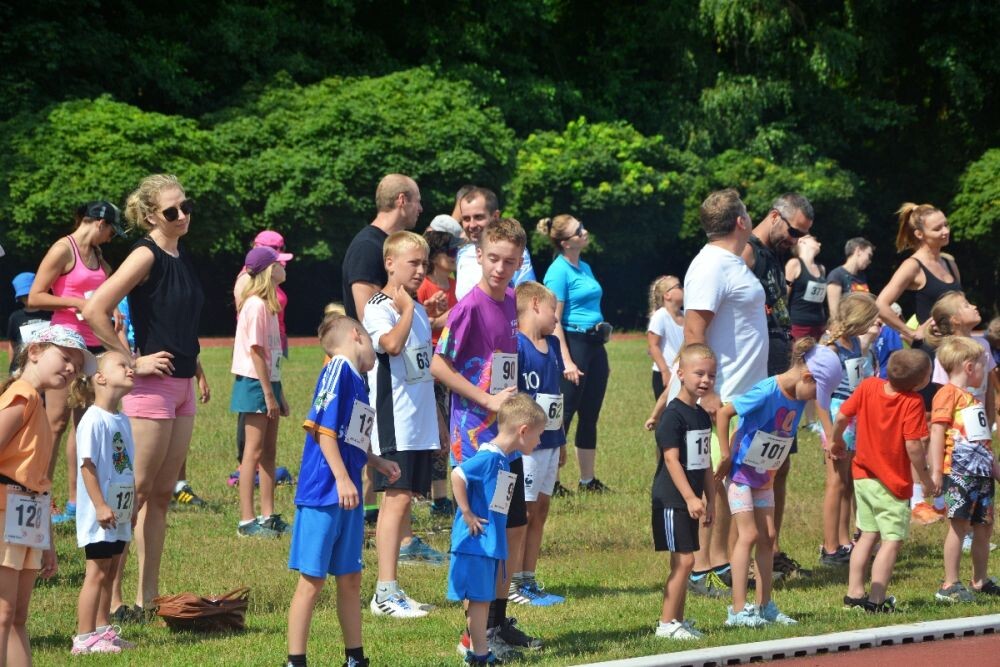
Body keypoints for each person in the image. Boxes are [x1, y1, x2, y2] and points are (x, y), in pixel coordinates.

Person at [83, 174, 205, 615]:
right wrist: (131, 360)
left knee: (160, 496)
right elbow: (95, 309)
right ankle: (110, 599)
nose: (182, 215)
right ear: (151, 215)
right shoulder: (144, 253)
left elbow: (178, 322)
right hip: (150, 389)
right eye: (172, 210)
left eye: (185, 206)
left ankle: (147, 597)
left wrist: (199, 370)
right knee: (131, 495)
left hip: (182, 385)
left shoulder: (180, 254)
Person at [431, 218, 540, 659]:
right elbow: (439, 365)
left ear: (519, 262)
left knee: (509, 526)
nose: (500, 268)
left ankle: (495, 622)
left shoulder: (512, 300)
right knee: (483, 534)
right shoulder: (469, 307)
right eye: (493, 258)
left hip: (507, 438)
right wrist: (487, 400)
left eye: (509, 261)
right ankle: (473, 637)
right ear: (478, 255)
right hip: (476, 440)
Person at [286, 314, 400, 667]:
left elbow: (350, 436)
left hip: (345, 491)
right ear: (356, 335)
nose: (374, 353)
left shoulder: (359, 381)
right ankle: (296, 660)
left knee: (350, 577)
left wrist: (374, 461)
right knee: (312, 579)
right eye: (370, 342)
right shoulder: (337, 369)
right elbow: (321, 429)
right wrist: (341, 477)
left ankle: (355, 658)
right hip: (324, 492)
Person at [715, 338, 841, 627]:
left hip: (764, 476)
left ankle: (765, 606)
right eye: (815, 392)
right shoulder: (767, 390)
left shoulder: (798, 395)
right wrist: (724, 454)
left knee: (769, 537)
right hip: (741, 474)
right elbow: (724, 413)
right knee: (748, 535)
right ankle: (737, 611)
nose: (813, 399)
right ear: (807, 376)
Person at [681, 189, 767, 599]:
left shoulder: (733, 260)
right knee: (713, 481)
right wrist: (708, 390)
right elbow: (693, 332)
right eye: (748, 213)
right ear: (740, 222)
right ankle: (703, 568)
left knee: (735, 480)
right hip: (726, 391)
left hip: (747, 394)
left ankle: (723, 560)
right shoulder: (711, 265)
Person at [1, 325, 96, 664]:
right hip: (4, 512)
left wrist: (47, 540)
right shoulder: (23, 395)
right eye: (65, 357)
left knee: (17, 618)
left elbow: (38, 481)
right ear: (36, 351)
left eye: (76, 365)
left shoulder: (36, 403)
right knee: (3, 614)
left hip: (26, 518)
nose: (71, 369)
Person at [28, 201, 122, 525]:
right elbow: (35, 296)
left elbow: (107, 296)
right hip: (64, 344)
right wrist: (77, 301)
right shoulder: (63, 250)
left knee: (85, 427)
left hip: (92, 347)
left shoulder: (100, 259)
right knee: (55, 424)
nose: (111, 238)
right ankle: (40, 497)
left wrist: (113, 310)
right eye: (111, 230)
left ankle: (75, 502)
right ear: (97, 222)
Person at [364, 232, 442, 618]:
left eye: (424, 263)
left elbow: (424, 367)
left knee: (405, 500)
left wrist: (438, 425)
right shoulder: (379, 306)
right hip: (392, 422)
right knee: (393, 503)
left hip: (418, 422)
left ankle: (393, 589)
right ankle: (384, 592)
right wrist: (408, 309)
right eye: (413, 263)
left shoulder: (420, 311)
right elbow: (390, 345)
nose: (420, 270)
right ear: (390, 263)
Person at [740, 193, 815, 580]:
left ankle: (772, 547)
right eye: (794, 230)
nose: (797, 239)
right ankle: (747, 554)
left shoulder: (773, 258)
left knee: (779, 463)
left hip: (783, 362)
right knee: (754, 464)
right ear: (774, 217)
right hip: (760, 369)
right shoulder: (747, 253)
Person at [342, 173, 422, 527]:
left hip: (390, 368)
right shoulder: (368, 246)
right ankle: (369, 526)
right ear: (402, 200)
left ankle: (380, 525)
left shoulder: (387, 245)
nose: (421, 208)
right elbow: (367, 318)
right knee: (371, 450)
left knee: (384, 461)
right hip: (370, 370)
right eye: (418, 201)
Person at [833, 349, 935, 613]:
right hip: (892, 483)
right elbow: (913, 445)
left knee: (867, 535)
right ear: (922, 381)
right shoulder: (912, 402)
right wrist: (925, 478)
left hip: (863, 476)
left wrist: (836, 440)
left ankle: (854, 595)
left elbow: (842, 415)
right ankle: (877, 600)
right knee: (891, 540)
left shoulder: (868, 386)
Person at [448, 394, 546, 665]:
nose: (539, 442)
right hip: (475, 544)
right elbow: (458, 475)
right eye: (538, 436)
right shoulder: (490, 457)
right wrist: (467, 513)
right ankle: (479, 654)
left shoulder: (503, 458)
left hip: (489, 544)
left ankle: (479, 653)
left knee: (483, 601)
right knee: (479, 601)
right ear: (523, 431)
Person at [538, 214, 611, 493]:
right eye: (578, 230)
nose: (585, 231)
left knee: (590, 413)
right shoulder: (558, 272)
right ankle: (552, 482)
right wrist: (566, 360)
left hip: (594, 344)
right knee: (562, 414)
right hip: (573, 342)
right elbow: (553, 320)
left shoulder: (585, 266)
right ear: (565, 242)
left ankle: (587, 480)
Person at [72, 350, 137, 655]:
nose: (130, 369)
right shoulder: (92, 420)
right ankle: (84, 639)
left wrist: (131, 504)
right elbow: (87, 466)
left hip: (118, 511)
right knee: (96, 573)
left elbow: (125, 468)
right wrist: (99, 504)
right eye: (122, 365)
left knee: (110, 571)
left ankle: (101, 631)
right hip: (100, 513)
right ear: (100, 378)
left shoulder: (121, 418)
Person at [652, 343, 716, 640]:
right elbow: (670, 459)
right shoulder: (673, 415)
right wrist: (690, 497)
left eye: (711, 375)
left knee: (684, 560)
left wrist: (710, 499)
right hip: (672, 498)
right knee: (685, 561)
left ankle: (677, 619)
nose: (705, 380)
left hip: (692, 499)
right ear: (681, 374)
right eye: (699, 373)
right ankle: (666, 624)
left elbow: (705, 463)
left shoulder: (701, 416)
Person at [929, 336, 1000, 602]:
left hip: (981, 474)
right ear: (970, 367)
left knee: (984, 527)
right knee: (959, 527)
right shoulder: (947, 394)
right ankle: (949, 584)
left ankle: (980, 580)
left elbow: (982, 440)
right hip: (958, 472)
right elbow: (937, 431)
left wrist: (995, 469)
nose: (986, 371)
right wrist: (937, 471)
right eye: (983, 365)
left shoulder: (972, 399)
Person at [510, 281, 566, 607]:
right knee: (525, 511)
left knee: (541, 509)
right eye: (552, 310)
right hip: (527, 444)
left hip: (551, 440)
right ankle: (515, 582)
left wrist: (561, 440)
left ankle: (529, 578)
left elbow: (556, 394)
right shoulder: (516, 346)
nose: (556, 318)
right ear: (533, 304)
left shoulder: (554, 346)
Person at [230, 229, 294, 506]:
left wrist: (279, 393)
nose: (283, 265)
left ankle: (268, 513)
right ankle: (247, 517)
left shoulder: (267, 305)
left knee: (269, 452)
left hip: (269, 381)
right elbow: (255, 351)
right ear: (269, 271)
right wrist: (269, 393)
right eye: (278, 263)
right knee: (253, 453)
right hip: (255, 382)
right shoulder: (255, 305)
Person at [818, 293, 881, 565]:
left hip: (852, 413)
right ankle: (830, 546)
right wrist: (831, 434)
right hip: (835, 415)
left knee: (846, 482)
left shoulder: (854, 342)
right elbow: (820, 396)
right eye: (870, 319)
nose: (874, 323)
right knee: (835, 482)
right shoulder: (830, 348)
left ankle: (844, 541)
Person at [418, 224, 463, 517]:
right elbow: (415, 323)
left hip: (454, 362)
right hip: (432, 365)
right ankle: (439, 497)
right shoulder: (424, 286)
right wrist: (442, 318)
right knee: (438, 431)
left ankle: (443, 494)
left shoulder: (457, 283)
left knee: (452, 426)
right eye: (449, 251)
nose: (454, 256)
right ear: (435, 256)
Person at [454, 187, 535, 300]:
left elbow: (529, 301)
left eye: (478, 217)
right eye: (466, 219)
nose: (471, 225)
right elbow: (465, 305)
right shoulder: (462, 253)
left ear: (495, 216)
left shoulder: (513, 252)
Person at [646, 276, 685, 401]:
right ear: (667, 295)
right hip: (665, 373)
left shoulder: (686, 316)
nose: (683, 289)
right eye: (679, 286)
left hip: (682, 373)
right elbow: (653, 346)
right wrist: (665, 372)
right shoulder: (661, 316)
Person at [6, 273, 51, 374]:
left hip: (46, 366)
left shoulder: (51, 313)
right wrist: (12, 368)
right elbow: (12, 345)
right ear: (19, 298)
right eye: (24, 296)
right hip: (22, 368)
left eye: (30, 294)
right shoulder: (15, 317)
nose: (28, 298)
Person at [785, 235, 827, 341]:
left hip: (819, 326)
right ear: (801, 241)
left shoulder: (821, 269)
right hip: (799, 326)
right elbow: (784, 295)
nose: (820, 243)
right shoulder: (794, 264)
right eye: (815, 239)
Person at [826, 237, 874, 318]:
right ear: (858, 251)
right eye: (869, 256)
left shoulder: (862, 277)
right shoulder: (837, 275)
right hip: (846, 327)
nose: (870, 261)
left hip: (862, 325)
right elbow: (834, 312)